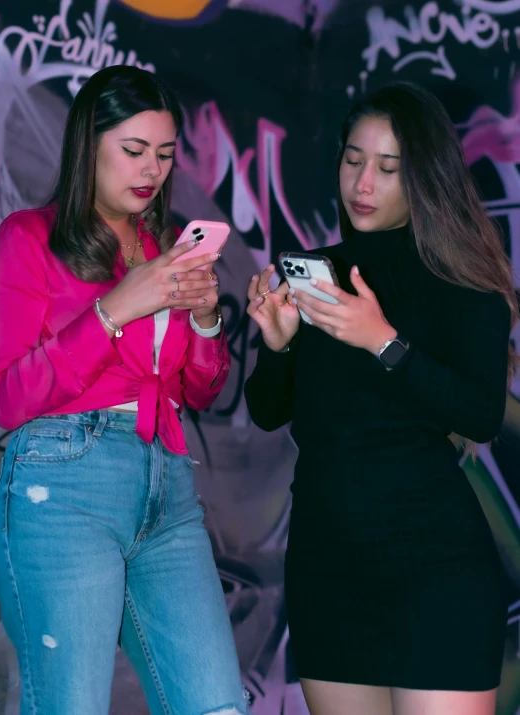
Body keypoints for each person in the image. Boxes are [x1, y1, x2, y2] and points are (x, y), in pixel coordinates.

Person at [0, 65, 250, 715]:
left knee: (217, 707)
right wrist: (114, 310)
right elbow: (5, 396)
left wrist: (207, 318)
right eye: (133, 151)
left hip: (166, 486)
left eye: (163, 153)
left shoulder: (162, 247)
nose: (150, 170)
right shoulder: (27, 239)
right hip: (64, 485)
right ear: (87, 146)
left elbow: (198, 390)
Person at [244, 81, 518, 715]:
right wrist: (280, 344)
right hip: (329, 571)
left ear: (423, 177)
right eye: (353, 160)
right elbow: (267, 412)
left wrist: (383, 342)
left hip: (435, 570)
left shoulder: (463, 280)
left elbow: (478, 413)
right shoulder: (315, 273)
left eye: (389, 168)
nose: (363, 183)